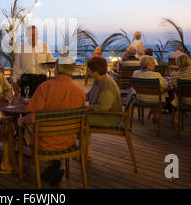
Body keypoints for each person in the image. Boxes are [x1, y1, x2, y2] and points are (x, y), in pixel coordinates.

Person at [18, 55, 86, 185]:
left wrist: (22, 120)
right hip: (69, 142)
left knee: (24, 127)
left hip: (45, 143)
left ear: (56, 69)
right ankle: (55, 164)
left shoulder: (45, 88)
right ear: (72, 70)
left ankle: (26, 170)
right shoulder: (80, 92)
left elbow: (33, 117)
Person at [13, 25, 55, 97]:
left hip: (41, 80)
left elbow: (51, 62)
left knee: (41, 104)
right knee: (25, 104)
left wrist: (50, 65)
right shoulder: (21, 48)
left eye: (35, 35)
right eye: (31, 35)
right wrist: (15, 82)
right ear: (27, 35)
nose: (33, 37)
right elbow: (16, 66)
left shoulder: (45, 46)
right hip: (26, 80)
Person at [132, 55, 173, 123]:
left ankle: (155, 115)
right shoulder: (156, 75)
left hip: (140, 98)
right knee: (170, 94)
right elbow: (166, 87)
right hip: (156, 100)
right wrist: (169, 84)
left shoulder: (135, 73)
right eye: (153, 63)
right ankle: (173, 118)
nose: (155, 65)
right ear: (148, 65)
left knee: (153, 92)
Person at [86, 56, 122, 128]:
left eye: (89, 69)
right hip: (103, 114)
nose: (88, 72)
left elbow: (103, 107)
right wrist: (76, 97)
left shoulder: (107, 84)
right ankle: (83, 138)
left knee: (79, 118)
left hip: (110, 118)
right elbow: (89, 95)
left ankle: (82, 139)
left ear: (95, 72)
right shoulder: (99, 79)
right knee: (79, 115)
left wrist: (87, 108)